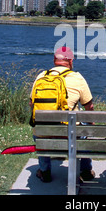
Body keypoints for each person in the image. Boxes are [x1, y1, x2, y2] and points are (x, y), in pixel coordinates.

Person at [30, 46, 95, 183]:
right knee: (84, 126)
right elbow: (89, 107)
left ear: (54, 60)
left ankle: (44, 171)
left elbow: (32, 105)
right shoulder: (77, 78)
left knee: (42, 129)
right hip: (70, 136)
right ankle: (86, 170)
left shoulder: (41, 76)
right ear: (71, 61)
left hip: (44, 134)